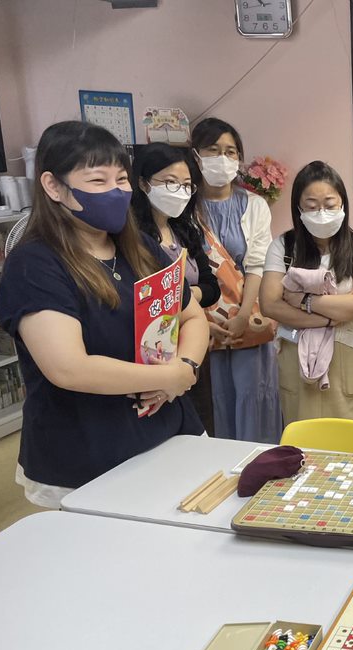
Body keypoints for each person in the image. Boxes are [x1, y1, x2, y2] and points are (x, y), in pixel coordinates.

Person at [0, 121, 207, 508]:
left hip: (168, 432)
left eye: (122, 178)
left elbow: (192, 317)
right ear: (53, 186)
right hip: (86, 454)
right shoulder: (35, 265)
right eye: (97, 181)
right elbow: (69, 368)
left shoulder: (138, 246)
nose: (116, 191)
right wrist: (168, 376)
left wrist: (185, 368)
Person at [259, 161, 353, 424]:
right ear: (299, 208)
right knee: (305, 441)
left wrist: (305, 301)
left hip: (350, 355)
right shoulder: (283, 246)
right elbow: (269, 304)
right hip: (297, 357)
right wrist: (326, 319)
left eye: (330, 204)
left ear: (343, 205)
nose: (321, 213)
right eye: (312, 206)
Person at [191, 117, 281, 443]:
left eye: (230, 152)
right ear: (196, 155)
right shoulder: (184, 208)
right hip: (198, 319)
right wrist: (199, 319)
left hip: (247, 315)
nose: (223, 159)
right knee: (213, 401)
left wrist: (244, 314)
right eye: (213, 150)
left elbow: (258, 263)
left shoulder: (254, 205)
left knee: (252, 393)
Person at [131, 142, 220, 433]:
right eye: (169, 183)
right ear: (143, 183)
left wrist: (185, 296)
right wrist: (180, 298)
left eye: (186, 185)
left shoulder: (185, 230)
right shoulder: (134, 237)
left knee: (200, 420)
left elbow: (211, 286)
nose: (179, 191)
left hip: (192, 345)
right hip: (155, 348)